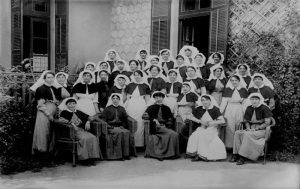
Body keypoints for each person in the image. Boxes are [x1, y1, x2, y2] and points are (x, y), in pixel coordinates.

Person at [231, 93, 273, 165]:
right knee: (238, 133)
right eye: (252, 99)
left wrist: (257, 128)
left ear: (260, 100)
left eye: (256, 99)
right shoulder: (249, 108)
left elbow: (267, 122)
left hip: (262, 130)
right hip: (251, 129)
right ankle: (236, 154)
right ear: (250, 100)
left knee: (247, 134)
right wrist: (248, 128)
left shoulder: (264, 108)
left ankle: (242, 157)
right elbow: (246, 120)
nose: (254, 101)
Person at [58, 97, 102, 166]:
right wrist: (71, 123)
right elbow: (60, 120)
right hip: (72, 131)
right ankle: (85, 160)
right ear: (67, 105)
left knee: (92, 137)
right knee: (84, 139)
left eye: (73, 103)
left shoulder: (78, 112)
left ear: (75, 104)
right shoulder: (64, 112)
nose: (72, 105)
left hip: (82, 130)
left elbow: (90, 117)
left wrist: (88, 121)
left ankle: (92, 159)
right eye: (70, 104)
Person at [186, 95, 226, 161]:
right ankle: (195, 153)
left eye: (206, 100)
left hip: (212, 128)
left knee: (204, 135)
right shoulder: (199, 109)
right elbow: (189, 116)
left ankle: (202, 155)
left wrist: (211, 123)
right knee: (194, 135)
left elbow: (222, 120)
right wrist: (200, 121)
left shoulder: (215, 109)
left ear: (210, 101)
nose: (204, 102)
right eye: (202, 100)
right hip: (202, 127)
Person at [31, 71, 62, 154]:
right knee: (43, 131)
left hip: (53, 111)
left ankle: (50, 150)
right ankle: (41, 151)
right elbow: (40, 105)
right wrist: (48, 114)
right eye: (48, 77)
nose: (51, 79)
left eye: (52, 77)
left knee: (51, 131)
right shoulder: (40, 89)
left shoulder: (54, 88)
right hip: (44, 112)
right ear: (44, 78)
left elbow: (56, 101)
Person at [144, 91, 180, 161]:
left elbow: (170, 118)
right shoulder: (150, 107)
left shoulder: (167, 108)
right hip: (155, 127)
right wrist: (153, 119)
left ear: (163, 98)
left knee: (174, 135)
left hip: (165, 126)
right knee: (173, 134)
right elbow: (144, 116)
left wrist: (174, 116)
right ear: (154, 98)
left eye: (160, 97)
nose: (158, 99)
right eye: (156, 97)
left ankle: (171, 154)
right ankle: (164, 154)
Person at [101, 94, 136, 160]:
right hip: (111, 127)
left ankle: (126, 154)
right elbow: (103, 120)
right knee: (119, 133)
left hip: (120, 127)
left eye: (117, 98)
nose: (115, 100)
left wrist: (123, 126)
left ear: (119, 100)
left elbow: (125, 119)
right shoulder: (107, 109)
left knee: (126, 132)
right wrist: (109, 127)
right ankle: (119, 156)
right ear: (111, 100)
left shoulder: (122, 108)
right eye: (113, 98)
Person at [220, 75, 248, 149]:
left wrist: (246, 113)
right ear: (230, 81)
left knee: (239, 125)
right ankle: (229, 146)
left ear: (239, 81)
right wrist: (220, 112)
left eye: (236, 80)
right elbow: (223, 102)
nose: (234, 82)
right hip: (229, 108)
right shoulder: (227, 89)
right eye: (232, 80)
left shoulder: (243, 90)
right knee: (229, 126)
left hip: (239, 108)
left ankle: (238, 146)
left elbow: (245, 103)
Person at [125, 70, 151, 147]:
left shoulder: (146, 86)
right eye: (135, 75)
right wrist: (126, 105)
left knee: (140, 123)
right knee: (131, 122)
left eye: (138, 75)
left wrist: (147, 108)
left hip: (141, 104)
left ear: (142, 76)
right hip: (131, 104)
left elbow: (147, 98)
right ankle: (130, 145)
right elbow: (127, 97)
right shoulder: (129, 85)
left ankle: (139, 144)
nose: (137, 76)